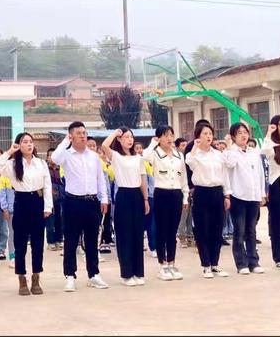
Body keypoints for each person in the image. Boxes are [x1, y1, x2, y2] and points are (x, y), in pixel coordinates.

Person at [51, 122, 109, 292]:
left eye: (84, 132)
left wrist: (103, 198)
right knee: (71, 240)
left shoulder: (93, 156)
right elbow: (54, 159)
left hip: (92, 202)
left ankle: (93, 274)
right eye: (78, 133)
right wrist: (65, 141)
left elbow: (100, 179)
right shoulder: (66, 155)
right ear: (71, 136)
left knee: (92, 241)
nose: (83, 136)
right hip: (73, 202)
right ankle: (70, 275)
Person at [0, 133, 53, 296]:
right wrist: (9, 151)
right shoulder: (12, 164)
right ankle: (21, 278)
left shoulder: (40, 163)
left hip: (37, 202)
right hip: (21, 202)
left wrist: (48, 206)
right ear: (18, 145)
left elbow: (47, 185)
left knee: (38, 243)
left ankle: (36, 277)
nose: (29, 145)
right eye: (24, 142)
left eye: (30, 142)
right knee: (20, 243)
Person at [102, 128, 149, 287]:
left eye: (131, 137)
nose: (130, 140)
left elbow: (142, 179)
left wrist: (145, 199)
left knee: (137, 234)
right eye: (126, 137)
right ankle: (126, 274)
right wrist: (116, 133)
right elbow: (104, 146)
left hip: (137, 195)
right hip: (123, 195)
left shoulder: (138, 158)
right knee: (124, 235)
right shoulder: (116, 156)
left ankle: (138, 272)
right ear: (120, 140)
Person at [185, 123, 231, 279]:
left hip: (217, 192)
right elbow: (188, 161)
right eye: (205, 133)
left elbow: (225, 174)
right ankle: (205, 265)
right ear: (198, 136)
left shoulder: (218, 154)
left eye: (210, 133)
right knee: (202, 229)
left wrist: (226, 195)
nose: (208, 136)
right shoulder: (195, 155)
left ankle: (214, 263)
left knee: (217, 229)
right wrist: (195, 147)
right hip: (202, 193)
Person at [143, 125, 189, 281]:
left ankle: (171, 263)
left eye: (171, 135)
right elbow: (143, 157)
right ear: (159, 138)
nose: (169, 138)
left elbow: (183, 178)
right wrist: (152, 143)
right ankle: (162, 265)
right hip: (161, 193)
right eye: (165, 135)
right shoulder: (155, 154)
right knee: (162, 230)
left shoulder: (178, 156)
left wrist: (185, 196)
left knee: (172, 231)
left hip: (176, 194)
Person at [223, 123, 266, 275]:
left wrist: (262, 193)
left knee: (252, 231)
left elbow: (260, 174)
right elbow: (229, 165)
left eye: (245, 132)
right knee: (239, 231)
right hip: (238, 196)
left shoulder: (254, 152)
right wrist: (230, 147)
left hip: (253, 196)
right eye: (239, 133)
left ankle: (254, 261)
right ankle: (241, 263)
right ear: (233, 136)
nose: (243, 135)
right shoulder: (231, 152)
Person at [261, 115, 280, 269]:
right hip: (276, 186)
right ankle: (278, 257)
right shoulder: (271, 145)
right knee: (277, 223)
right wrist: (268, 133)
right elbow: (263, 151)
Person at [176, 138, 194, 249]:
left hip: (190, 190)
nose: (184, 147)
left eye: (185, 145)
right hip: (180, 190)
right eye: (182, 145)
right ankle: (181, 236)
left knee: (190, 215)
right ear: (177, 147)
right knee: (184, 214)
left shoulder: (188, 159)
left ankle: (190, 236)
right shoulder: (177, 159)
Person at [46, 148, 65, 251]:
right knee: (50, 222)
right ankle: (50, 241)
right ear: (47, 157)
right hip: (50, 200)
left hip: (61, 199)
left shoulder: (61, 169)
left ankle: (59, 240)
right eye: (50, 155)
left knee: (60, 221)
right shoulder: (45, 169)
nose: (52, 158)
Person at [0, 173, 16, 268]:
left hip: (22, 208)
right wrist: (4, 208)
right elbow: (2, 192)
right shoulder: (5, 174)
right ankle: (12, 257)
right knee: (12, 234)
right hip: (11, 210)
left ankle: (20, 255)